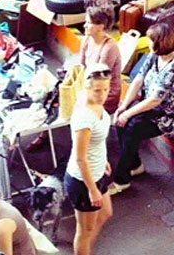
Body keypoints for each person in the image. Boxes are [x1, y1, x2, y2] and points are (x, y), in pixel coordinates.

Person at [112, 23, 174, 191]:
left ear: (159, 43)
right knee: (121, 124)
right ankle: (135, 165)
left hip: (171, 115)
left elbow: (155, 100)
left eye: (151, 40)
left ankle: (122, 180)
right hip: (153, 107)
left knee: (132, 127)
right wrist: (124, 107)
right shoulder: (154, 55)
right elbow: (139, 79)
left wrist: (127, 114)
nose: (148, 43)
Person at [64, 63, 113, 255]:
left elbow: (97, 141)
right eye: (97, 90)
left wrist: (104, 160)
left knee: (106, 213)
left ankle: (85, 250)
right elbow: (80, 158)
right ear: (87, 88)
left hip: (98, 171)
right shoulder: (84, 118)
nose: (102, 95)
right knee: (84, 231)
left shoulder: (95, 104)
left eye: (106, 89)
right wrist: (92, 190)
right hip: (83, 182)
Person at [80, 7, 122, 115]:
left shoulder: (109, 48)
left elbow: (100, 79)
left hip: (104, 93)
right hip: (91, 85)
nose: (85, 25)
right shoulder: (86, 40)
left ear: (100, 27)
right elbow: (81, 67)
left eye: (88, 23)